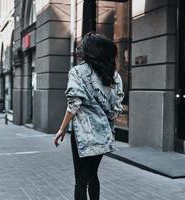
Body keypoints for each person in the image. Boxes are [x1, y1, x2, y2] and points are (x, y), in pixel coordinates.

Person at [53, 32, 124, 200]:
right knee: (93, 175)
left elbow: (74, 103)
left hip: (82, 134)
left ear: (89, 51)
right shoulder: (113, 75)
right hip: (103, 133)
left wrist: (62, 129)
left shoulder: (77, 72)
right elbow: (116, 108)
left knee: (81, 180)